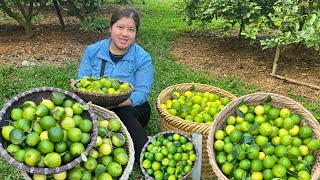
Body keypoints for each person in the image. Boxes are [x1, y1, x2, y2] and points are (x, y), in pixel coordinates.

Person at [75, 7, 154, 162]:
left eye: (131, 29)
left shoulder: (142, 58)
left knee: (124, 117)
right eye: (120, 27)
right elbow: (82, 81)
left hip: (130, 107)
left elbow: (142, 93)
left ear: (136, 33)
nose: (125, 34)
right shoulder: (92, 51)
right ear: (110, 28)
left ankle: (144, 156)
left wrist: (115, 104)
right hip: (95, 106)